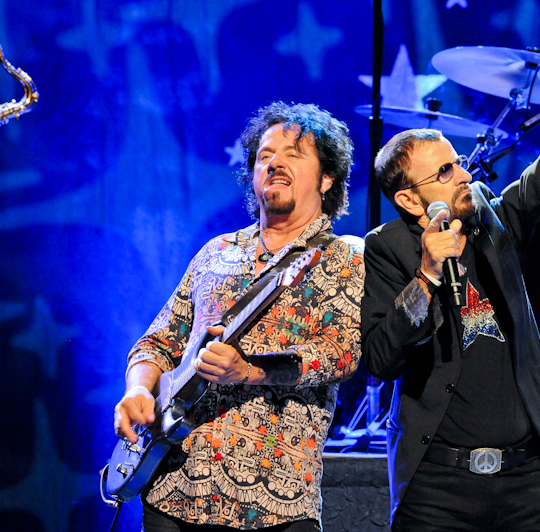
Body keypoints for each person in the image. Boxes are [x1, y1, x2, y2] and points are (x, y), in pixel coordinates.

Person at [362, 23, 540, 531]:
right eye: (446, 173)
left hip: (523, 482)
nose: (465, 177)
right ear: (409, 199)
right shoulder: (386, 248)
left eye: (458, 164)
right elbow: (382, 358)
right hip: (437, 487)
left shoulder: (493, 219)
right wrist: (427, 275)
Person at [113, 102, 365, 531]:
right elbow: (157, 342)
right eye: (265, 155)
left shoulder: (345, 257)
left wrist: (248, 371)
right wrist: (137, 390)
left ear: (327, 178)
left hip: (274, 505)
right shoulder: (216, 252)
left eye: (294, 153)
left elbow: (340, 354)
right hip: (172, 490)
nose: (275, 163)